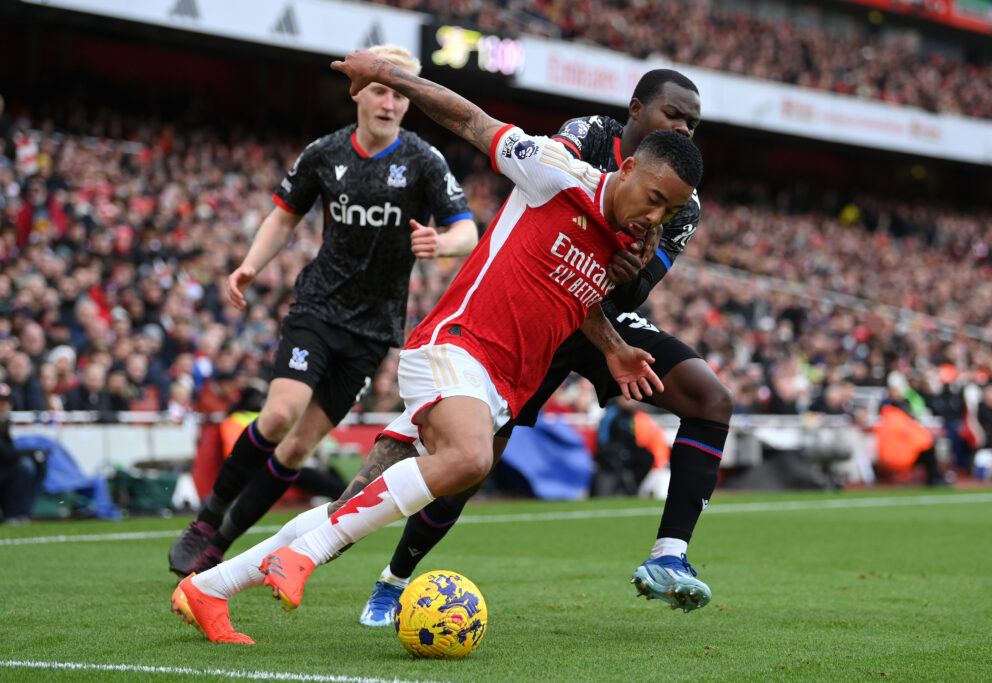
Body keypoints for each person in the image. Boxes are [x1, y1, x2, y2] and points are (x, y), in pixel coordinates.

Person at [170, 48, 702, 644]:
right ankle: (304, 557)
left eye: (669, 210)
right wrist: (388, 75)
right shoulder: (557, 172)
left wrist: (613, 348)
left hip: (497, 386)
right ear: (626, 169)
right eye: (653, 197)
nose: (654, 215)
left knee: (354, 503)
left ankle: (209, 588)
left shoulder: (624, 245)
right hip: (454, 347)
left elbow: (574, 299)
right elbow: (469, 118)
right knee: (472, 460)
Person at [354, 69, 729, 627]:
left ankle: (668, 556)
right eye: (673, 115)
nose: (683, 129)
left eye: (693, 124)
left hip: (600, 317)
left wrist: (629, 272)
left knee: (711, 399)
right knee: (470, 466)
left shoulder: (683, 202)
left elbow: (636, 290)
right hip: (533, 312)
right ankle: (395, 579)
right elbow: (544, 182)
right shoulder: (590, 134)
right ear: (636, 109)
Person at [167, 44, 479, 577]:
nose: (389, 103)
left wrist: (442, 243)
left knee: (296, 450)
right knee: (279, 415)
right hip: (317, 307)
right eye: (380, 90)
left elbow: (466, 230)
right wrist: (250, 265)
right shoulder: (325, 152)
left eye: (400, 94)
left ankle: (220, 544)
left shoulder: (424, 160)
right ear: (358, 93)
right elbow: (284, 215)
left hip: (373, 330)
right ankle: (206, 519)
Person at [0, 383, 46, 524]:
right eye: (1, 403)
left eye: (6, 403)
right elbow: (5, 454)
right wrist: (32, 453)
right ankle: (12, 513)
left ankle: (23, 511)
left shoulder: (4, 422)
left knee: (39, 464)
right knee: (25, 466)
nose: (3, 406)